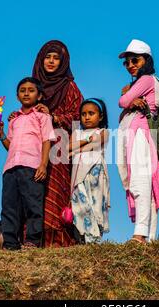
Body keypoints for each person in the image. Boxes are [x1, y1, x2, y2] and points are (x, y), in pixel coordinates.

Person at [10, 40, 83, 247]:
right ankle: (30, 240)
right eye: (47, 57)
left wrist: (55, 117)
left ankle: (58, 242)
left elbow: (79, 116)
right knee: (30, 191)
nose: (51, 62)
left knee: (54, 192)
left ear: (63, 62)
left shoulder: (69, 87)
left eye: (56, 58)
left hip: (58, 147)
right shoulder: (33, 87)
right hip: (33, 149)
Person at [0, 77, 56, 250]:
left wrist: (43, 164)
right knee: (9, 207)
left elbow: (46, 141)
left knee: (33, 205)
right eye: (22, 90)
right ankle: (11, 243)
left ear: (39, 96)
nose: (26, 93)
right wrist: (1, 134)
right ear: (17, 96)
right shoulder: (14, 119)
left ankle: (32, 241)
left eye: (31, 90)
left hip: (32, 166)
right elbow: (10, 146)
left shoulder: (42, 117)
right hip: (11, 168)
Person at [116, 39, 159, 244]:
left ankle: (139, 235)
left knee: (140, 183)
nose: (130, 65)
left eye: (135, 60)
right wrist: (130, 96)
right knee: (145, 185)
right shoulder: (142, 83)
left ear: (146, 60)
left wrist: (127, 95)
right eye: (127, 62)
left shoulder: (146, 80)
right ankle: (150, 237)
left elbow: (122, 102)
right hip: (138, 134)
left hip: (140, 135)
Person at [69, 98, 110, 243]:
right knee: (80, 205)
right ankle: (85, 237)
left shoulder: (103, 131)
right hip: (78, 175)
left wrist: (76, 150)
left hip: (95, 173)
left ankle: (94, 239)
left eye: (91, 113)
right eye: (83, 114)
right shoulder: (77, 133)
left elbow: (95, 144)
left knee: (96, 205)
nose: (86, 117)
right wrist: (87, 140)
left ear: (100, 116)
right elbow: (68, 146)